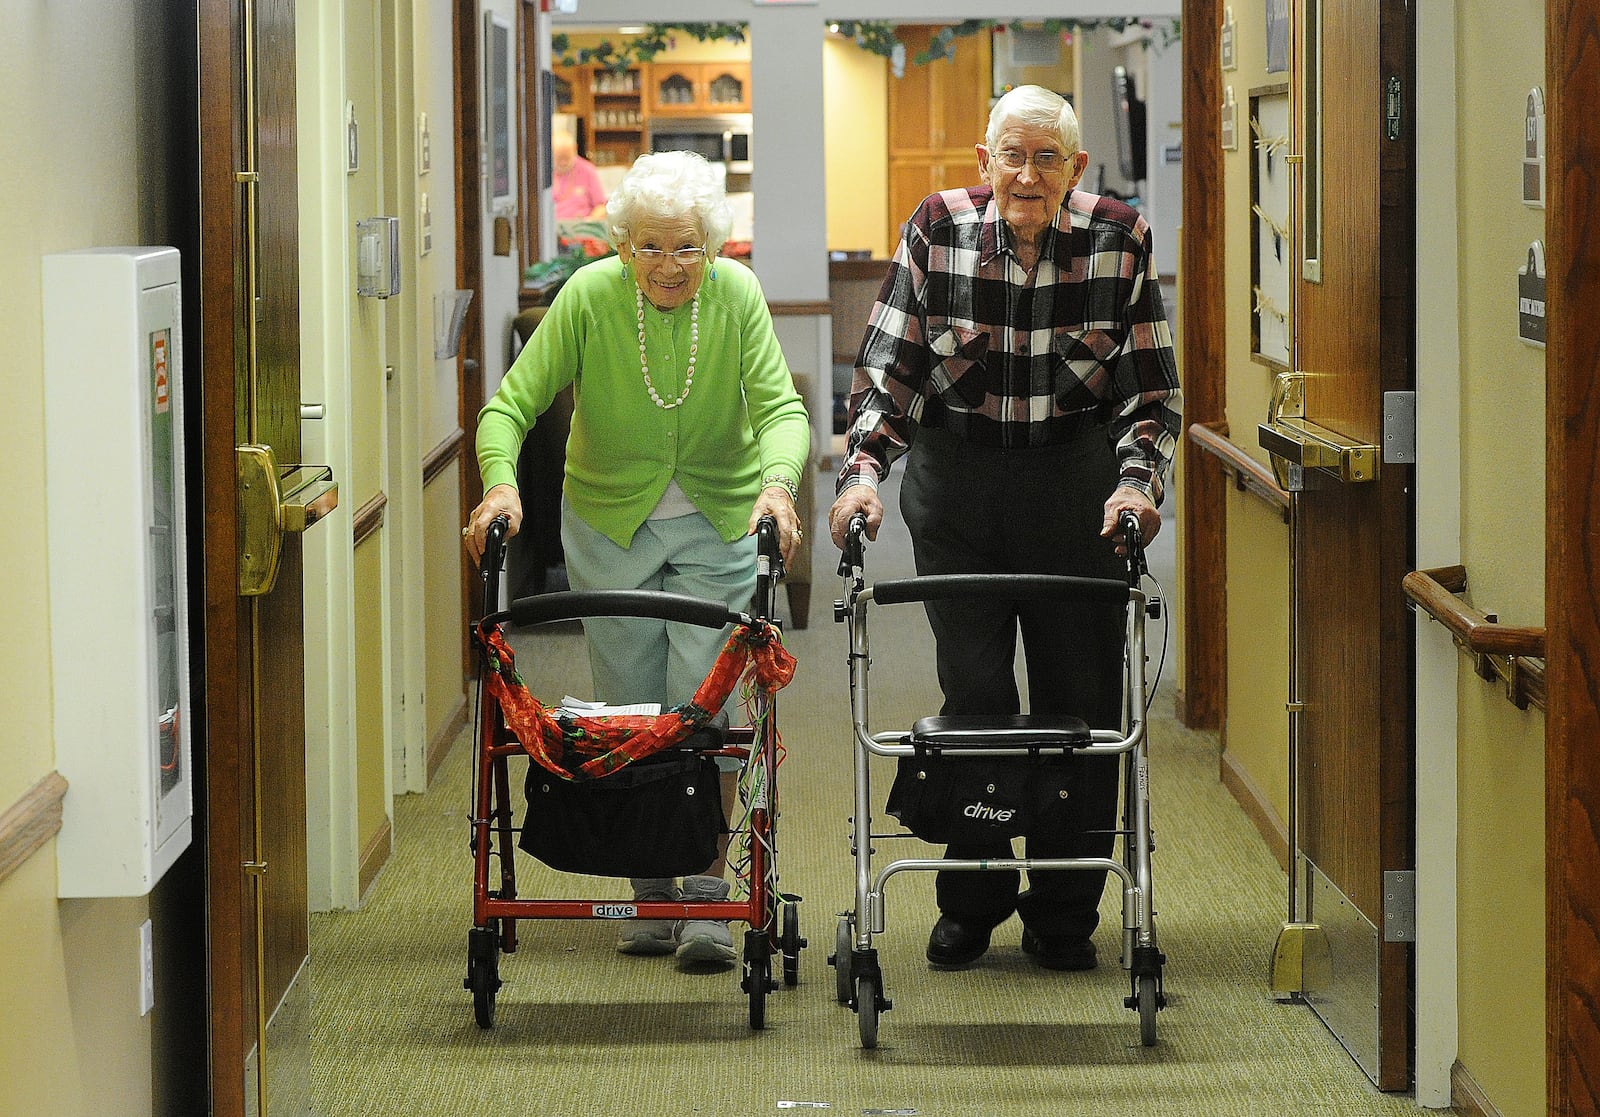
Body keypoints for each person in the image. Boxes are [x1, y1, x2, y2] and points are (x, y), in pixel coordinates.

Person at [827, 85, 1182, 973]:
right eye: (1011, 157)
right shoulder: (936, 228)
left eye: (1046, 158)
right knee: (978, 700)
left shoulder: (1118, 236)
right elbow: (890, 376)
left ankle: (1066, 909)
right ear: (983, 163)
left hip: (1076, 491)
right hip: (963, 494)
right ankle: (973, 899)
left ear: (1076, 168)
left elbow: (1147, 392)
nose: (1027, 175)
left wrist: (1137, 483)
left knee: (1082, 701)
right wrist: (864, 476)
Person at [465, 150, 810, 968]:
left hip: (722, 522)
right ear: (621, 245)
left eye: (687, 247)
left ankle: (708, 895)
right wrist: (500, 486)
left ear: (713, 244)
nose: (669, 266)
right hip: (609, 526)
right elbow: (510, 403)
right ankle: (648, 888)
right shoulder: (588, 296)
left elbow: (781, 408)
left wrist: (778, 486)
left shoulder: (736, 296)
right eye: (650, 248)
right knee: (630, 711)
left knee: (707, 713)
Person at [551, 130, 608, 222]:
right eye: (559, 158)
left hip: (581, 230)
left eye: (566, 157)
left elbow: (601, 207)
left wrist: (588, 222)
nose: (563, 162)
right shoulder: (543, 172)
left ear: (575, 149)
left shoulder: (588, 170)